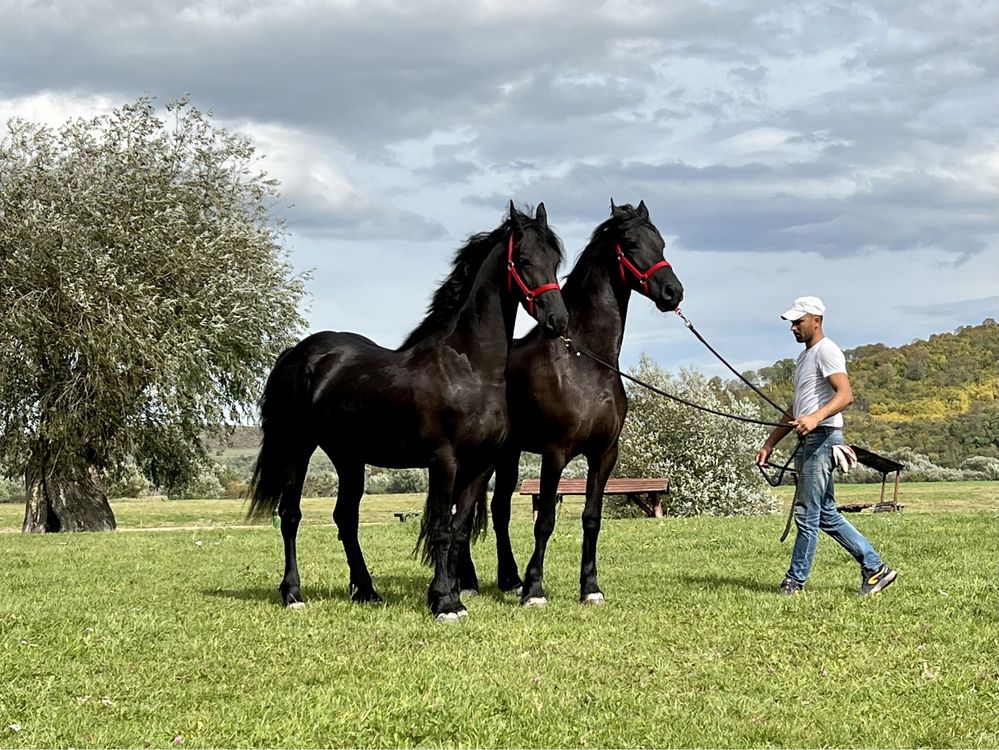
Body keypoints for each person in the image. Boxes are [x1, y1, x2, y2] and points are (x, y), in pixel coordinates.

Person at [755, 296, 897, 596]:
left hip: (822, 439)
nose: (793, 327)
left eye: (798, 322)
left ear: (816, 320)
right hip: (811, 439)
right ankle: (875, 567)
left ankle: (794, 582)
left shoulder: (826, 351)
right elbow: (796, 409)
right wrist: (769, 444)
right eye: (791, 323)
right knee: (824, 513)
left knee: (807, 512)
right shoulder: (804, 358)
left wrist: (816, 418)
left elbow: (845, 394)